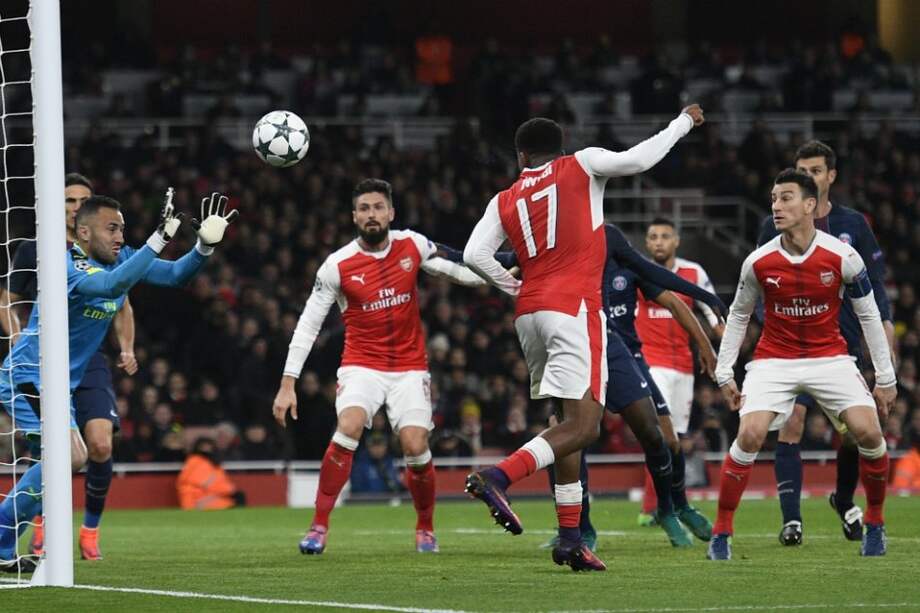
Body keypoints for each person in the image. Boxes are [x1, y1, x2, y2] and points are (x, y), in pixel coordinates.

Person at [463, 105, 704, 571]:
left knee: (565, 423)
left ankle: (571, 539)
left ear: (521, 157)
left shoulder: (504, 197)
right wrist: (682, 123)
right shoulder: (582, 163)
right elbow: (638, 159)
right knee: (585, 426)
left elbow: (475, 254)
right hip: (574, 308)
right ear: (561, 146)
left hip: (528, 313)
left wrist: (510, 284)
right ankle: (498, 475)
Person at [0, 189, 236, 572]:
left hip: (61, 384)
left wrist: (203, 249)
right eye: (111, 229)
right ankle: (3, 533)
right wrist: (157, 240)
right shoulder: (64, 265)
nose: (120, 238)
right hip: (27, 374)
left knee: (67, 457)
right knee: (70, 456)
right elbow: (109, 287)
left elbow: (176, 275)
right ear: (84, 233)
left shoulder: (124, 259)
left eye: (123, 230)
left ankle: (5, 540)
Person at [272, 178, 493, 555]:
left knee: (414, 443)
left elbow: (460, 272)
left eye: (378, 207)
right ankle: (318, 526)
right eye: (364, 209)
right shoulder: (337, 266)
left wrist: (510, 279)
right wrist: (288, 382)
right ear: (354, 216)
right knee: (349, 425)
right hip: (362, 365)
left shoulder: (412, 245)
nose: (371, 215)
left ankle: (425, 528)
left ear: (391, 212)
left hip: (410, 367)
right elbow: (308, 324)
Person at [708, 169, 896, 561]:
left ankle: (875, 524)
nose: (777, 205)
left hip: (830, 357)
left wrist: (886, 378)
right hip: (774, 359)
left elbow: (869, 316)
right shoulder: (758, 262)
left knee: (868, 432)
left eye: (786, 198)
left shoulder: (843, 256)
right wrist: (724, 372)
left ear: (810, 204)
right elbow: (739, 315)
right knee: (750, 436)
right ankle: (721, 532)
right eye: (774, 198)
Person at [756, 140, 895, 546]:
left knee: (854, 432)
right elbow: (759, 284)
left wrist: (884, 323)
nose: (808, 177)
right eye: (802, 170)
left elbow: (875, 284)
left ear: (830, 177)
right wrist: (772, 327)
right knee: (791, 423)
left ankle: (843, 498)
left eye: (816, 171)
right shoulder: (773, 225)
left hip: (843, 343)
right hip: (791, 343)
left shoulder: (854, 224)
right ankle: (792, 520)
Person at [0, 173, 138, 561]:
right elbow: (5, 299)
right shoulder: (36, 250)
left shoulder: (107, 251)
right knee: (63, 453)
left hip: (85, 359)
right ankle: (26, 529)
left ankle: (88, 530)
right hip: (40, 361)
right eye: (68, 201)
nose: (76, 207)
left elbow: (124, 302)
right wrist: (18, 337)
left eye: (84, 201)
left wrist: (126, 346)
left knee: (94, 445)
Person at [635, 217, 724, 525]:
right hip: (651, 362)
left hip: (684, 367)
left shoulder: (693, 272)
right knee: (658, 433)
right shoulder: (637, 270)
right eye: (653, 236)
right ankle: (651, 509)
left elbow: (710, 307)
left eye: (664, 236)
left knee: (676, 440)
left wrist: (716, 333)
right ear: (647, 244)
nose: (658, 241)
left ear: (676, 241)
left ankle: (668, 505)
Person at [177, 437, 246, 510]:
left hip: (206, 496)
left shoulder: (210, 463)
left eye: (209, 446)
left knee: (238, 496)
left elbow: (218, 480)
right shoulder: (197, 461)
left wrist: (229, 490)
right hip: (197, 499)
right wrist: (229, 491)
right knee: (237, 498)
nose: (206, 449)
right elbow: (206, 482)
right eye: (203, 447)